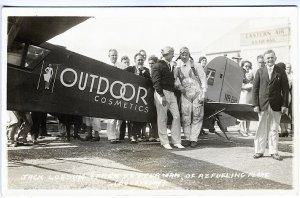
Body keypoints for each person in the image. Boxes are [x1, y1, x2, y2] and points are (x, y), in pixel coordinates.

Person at [252, 49, 289, 161]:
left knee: (274, 128)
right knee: (260, 128)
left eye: (272, 57)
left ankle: (274, 151)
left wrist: (284, 105)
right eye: (268, 58)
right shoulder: (259, 71)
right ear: (264, 59)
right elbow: (255, 89)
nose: (270, 60)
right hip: (262, 104)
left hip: (276, 105)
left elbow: (286, 90)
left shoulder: (281, 71)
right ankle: (259, 151)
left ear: (275, 58)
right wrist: (255, 104)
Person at [151, 46, 184, 150]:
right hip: (162, 93)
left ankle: (176, 141)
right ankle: (164, 141)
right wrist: (161, 96)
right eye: (172, 53)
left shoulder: (171, 65)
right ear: (167, 54)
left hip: (171, 93)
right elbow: (156, 82)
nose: (174, 55)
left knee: (177, 116)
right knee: (162, 118)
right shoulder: (157, 65)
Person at [174, 47, 207, 148]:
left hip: (197, 94)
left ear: (189, 54)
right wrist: (179, 87)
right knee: (185, 117)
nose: (183, 54)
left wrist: (204, 93)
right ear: (179, 55)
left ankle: (194, 139)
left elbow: (203, 79)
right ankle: (187, 138)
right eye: (181, 53)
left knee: (197, 116)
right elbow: (175, 81)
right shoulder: (178, 67)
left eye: (186, 53)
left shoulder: (196, 65)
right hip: (186, 95)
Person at [124, 53, 151, 143]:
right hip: (131, 96)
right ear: (135, 60)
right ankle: (132, 135)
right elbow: (121, 75)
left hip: (141, 98)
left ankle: (136, 134)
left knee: (139, 116)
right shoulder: (130, 69)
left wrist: (144, 73)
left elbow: (150, 81)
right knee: (131, 117)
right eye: (138, 60)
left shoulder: (146, 70)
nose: (140, 61)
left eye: (141, 60)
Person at [106, 49, 126, 143]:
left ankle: (117, 135)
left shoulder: (123, 66)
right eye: (112, 55)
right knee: (111, 117)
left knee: (120, 117)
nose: (114, 57)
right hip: (109, 92)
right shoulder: (104, 65)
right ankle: (111, 136)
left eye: (115, 55)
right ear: (109, 56)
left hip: (120, 92)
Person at [238, 60, 254, 137]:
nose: (247, 68)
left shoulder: (251, 75)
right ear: (242, 67)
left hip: (249, 97)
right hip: (243, 96)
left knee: (249, 113)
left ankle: (248, 129)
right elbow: (237, 86)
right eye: (245, 66)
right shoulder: (240, 75)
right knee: (243, 114)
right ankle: (242, 130)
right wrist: (245, 88)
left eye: (248, 66)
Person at [147, 55, 160, 142]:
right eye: (150, 63)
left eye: (153, 63)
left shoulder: (159, 72)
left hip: (158, 94)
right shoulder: (147, 72)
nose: (151, 65)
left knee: (158, 115)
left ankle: (158, 135)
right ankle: (152, 134)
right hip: (149, 95)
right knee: (151, 115)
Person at [119, 55, 131, 140]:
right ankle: (121, 135)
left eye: (127, 62)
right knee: (121, 117)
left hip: (129, 95)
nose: (126, 64)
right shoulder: (120, 71)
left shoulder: (131, 71)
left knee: (130, 117)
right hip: (121, 95)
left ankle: (131, 135)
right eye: (125, 62)